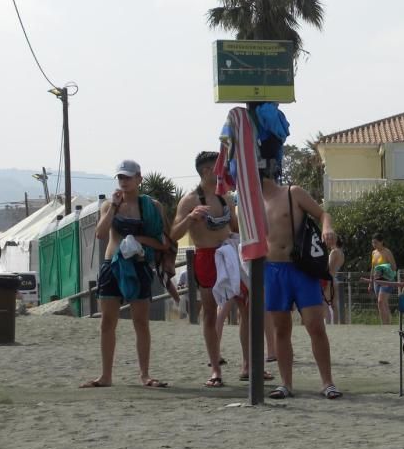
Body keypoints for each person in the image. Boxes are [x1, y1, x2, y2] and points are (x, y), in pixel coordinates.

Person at [172, 151, 269, 387]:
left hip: (230, 254)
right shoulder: (190, 201)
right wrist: (191, 218)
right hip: (207, 257)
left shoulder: (225, 197)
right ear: (207, 171)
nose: (224, 171)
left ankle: (248, 365)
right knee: (209, 311)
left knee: (247, 308)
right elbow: (174, 234)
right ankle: (215, 369)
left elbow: (235, 227)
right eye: (220, 167)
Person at [81, 159, 170, 389]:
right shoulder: (110, 205)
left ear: (139, 179)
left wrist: (137, 240)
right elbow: (100, 234)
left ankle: (144, 374)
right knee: (107, 322)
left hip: (139, 265)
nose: (124, 181)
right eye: (121, 177)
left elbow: (162, 242)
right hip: (113, 264)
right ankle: (106, 375)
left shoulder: (151, 206)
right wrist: (113, 207)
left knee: (141, 322)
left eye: (128, 177)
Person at [260, 169, 341, 400]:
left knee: (315, 325)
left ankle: (327, 382)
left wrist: (327, 228)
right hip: (273, 270)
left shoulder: (292, 193)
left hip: (301, 268)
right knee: (281, 329)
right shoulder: (250, 203)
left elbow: (323, 214)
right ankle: (286, 383)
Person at [370, 233, 397, 325]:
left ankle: (386, 324)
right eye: (373, 243)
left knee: (381, 301)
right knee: (382, 303)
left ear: (382, 242)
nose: (374, 245)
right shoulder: (374, 252)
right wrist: (371, 282)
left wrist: (383, 269)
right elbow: (373, 268)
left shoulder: (387, 252)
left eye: (376, 242)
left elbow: (394, 267)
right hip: (376, 281)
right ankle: (385, 323)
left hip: (386, 279)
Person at [327, 235, 346, 324]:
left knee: (325, 303)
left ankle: (328, 323)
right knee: (334, 304)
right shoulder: (341, 253)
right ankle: (335, 324)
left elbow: (329, 267)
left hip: (328, 279)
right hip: (335, 278)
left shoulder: (334, 252)